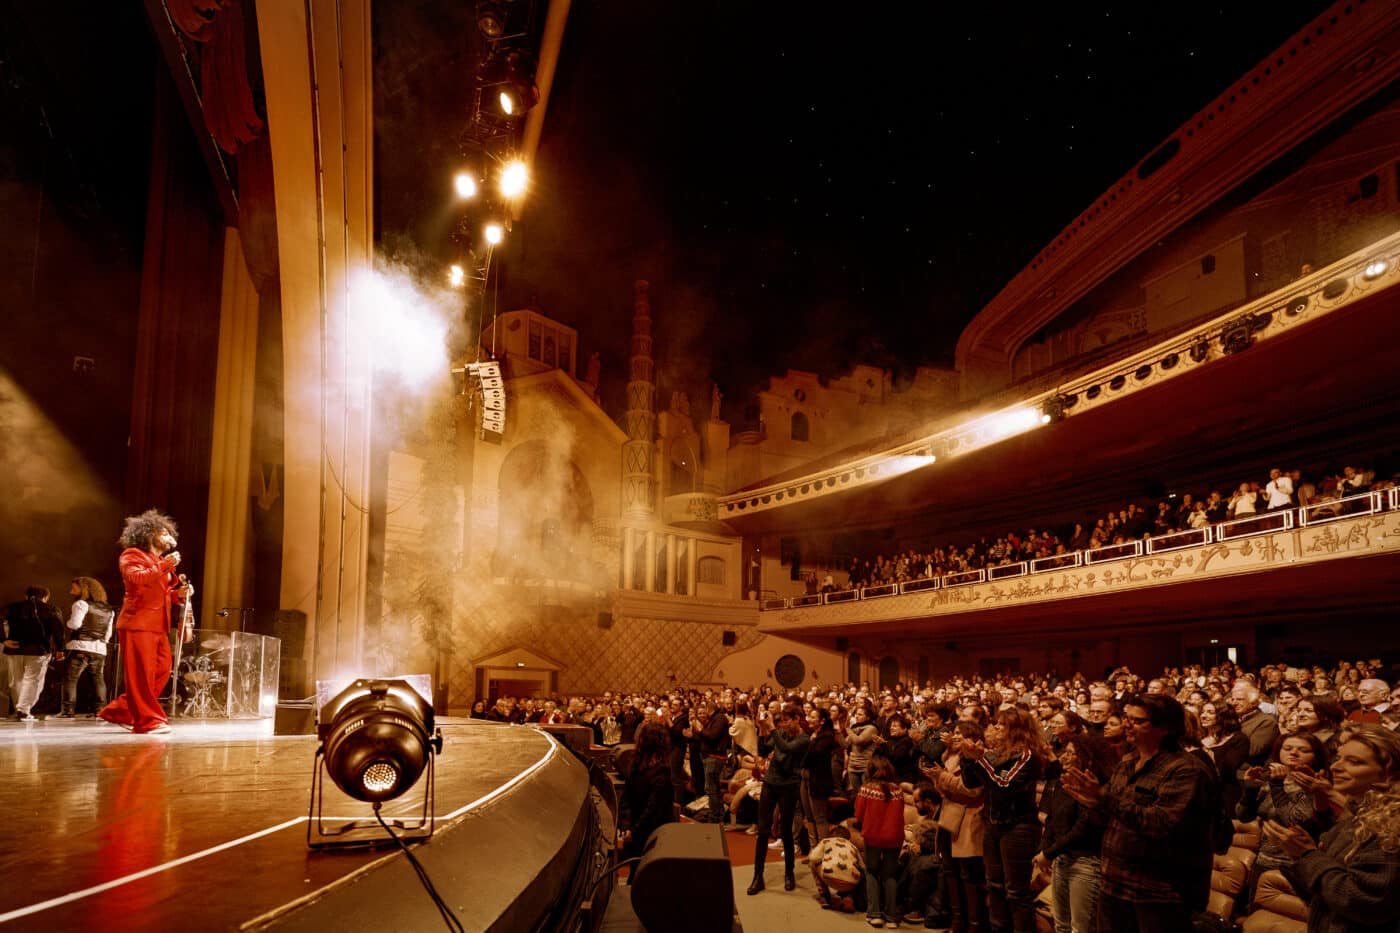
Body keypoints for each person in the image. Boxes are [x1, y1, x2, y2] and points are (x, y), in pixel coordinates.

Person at [1061, 694, 1217, 932]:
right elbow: (1115, 817)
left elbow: (1161, 823)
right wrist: (1093, 804)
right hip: (1114, 884)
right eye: (1126, 718)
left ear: (1164, 728)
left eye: (1137, 720)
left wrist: (1104, 798)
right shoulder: (1127, 761)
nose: (1126, 725)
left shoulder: (1187, 770)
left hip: (1159, 892)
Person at [1268, 725, 1400, 933]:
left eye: (1354, 762)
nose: (1336, 767)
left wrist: (1308, 855)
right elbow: (1324, 895)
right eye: (1338, 758)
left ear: (1389, 773)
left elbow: (1364, 902)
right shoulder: (1360, 816)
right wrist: (1303, 855)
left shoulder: (1392, 826)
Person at [99, 510, 191, 735]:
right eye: (164, 532)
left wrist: (178, 594)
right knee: (141, 673)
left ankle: (123, 710)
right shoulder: (132, 555)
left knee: (162, 668)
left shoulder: (160, 561)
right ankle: (148, 721)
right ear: (149, 533)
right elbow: (137, 579)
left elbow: (160, 593)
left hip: (158, 624)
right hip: (137, 622)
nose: (168, 536)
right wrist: (165, 566)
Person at [959, 707, 1045, 933]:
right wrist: (968, 759)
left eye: (1001, 725)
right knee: (994, 887)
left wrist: (979, 760)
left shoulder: (1027, 756)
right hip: (993, 824)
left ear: (1016, 730)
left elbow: (1002, 787)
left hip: (1018, 828)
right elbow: (971, 783)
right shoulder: (996, 754)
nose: (995, 727)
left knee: (1016, 892)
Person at [1236, 732, 1330, 905]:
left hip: (1294, 865)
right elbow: (1243, 816)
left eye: (1303, 750)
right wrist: (1249, 789)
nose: (1293, 753)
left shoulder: (1314, 786)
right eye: (1287, 748)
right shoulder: (1271, 780)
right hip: (1263, 859)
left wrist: (1276, 786)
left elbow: (1293, 821)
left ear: (1316, 758)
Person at [1036, 732, 1115, 933]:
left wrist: (1048, 853)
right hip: (1062, 859)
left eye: (1071, 753)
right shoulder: (1063, 782)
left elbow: (1082, 829)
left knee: (1081, 928)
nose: (1064, 757)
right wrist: (1046, 850)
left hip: (1085, 862)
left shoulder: (1095, 787)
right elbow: (1052, 819)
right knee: (1061, 924)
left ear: (1086, 757)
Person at [748, 703, 810, 895]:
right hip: (771, 783)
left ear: (797, 719)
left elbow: (786, 750)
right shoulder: (781, 734)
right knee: (763, 829)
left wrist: (772, 729)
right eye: (781, 720)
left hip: (788, 786)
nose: (783, 724)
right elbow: (764, 748)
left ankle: (789, 873)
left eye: (786, 720)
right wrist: (761, 729)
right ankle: (758, 876)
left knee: (785, 831)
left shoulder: (804, 739)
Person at [855, 754, 906, 928]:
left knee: (871, 872)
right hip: (895, 837)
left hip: (873, 836)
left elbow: (858, 815)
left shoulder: (866, 789)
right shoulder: (898, 790)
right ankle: (891, 917)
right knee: (890, 875)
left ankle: (874, 913)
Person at [3, 586, 65, 721]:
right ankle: (23, 710)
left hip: (14, 649)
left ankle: (19, 709)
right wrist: (60, 649)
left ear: (26, 596)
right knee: (33, 680)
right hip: (39, 650)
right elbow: (58, 629)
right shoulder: (51, 609)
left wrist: (3, 640)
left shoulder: (12, 607)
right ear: (45, 597)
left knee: (16, 681)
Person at [619, 721, 675, 871]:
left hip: (650, 832)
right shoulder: (637, 767)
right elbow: (626, 799)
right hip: (638, 830)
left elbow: (654, 809)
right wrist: (626, 827)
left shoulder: (660, 772)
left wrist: (632, 830)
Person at [59, 576, 115, 718]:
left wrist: (67, 623)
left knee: (70, 679)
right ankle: (100, 710)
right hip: (100, 649)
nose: (71, 591)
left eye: (74, 587)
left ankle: (67, 711)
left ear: (84, 588)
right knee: (98, 679)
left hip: (80, 646)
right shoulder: (109, 610)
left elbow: (75, 625)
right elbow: (108, 634)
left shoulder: (81, 604)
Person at [801, 706, 837, 844]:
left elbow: (814, 756)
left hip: (818, 780)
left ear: (822, 721)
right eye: (809, 716)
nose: (809, 719)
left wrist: (813, 740)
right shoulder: (813, 735)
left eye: (813, 717)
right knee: (809, 816)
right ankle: (813, 851)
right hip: (806, 778)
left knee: (819, 817)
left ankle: (823, 852)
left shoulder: (827, 736)